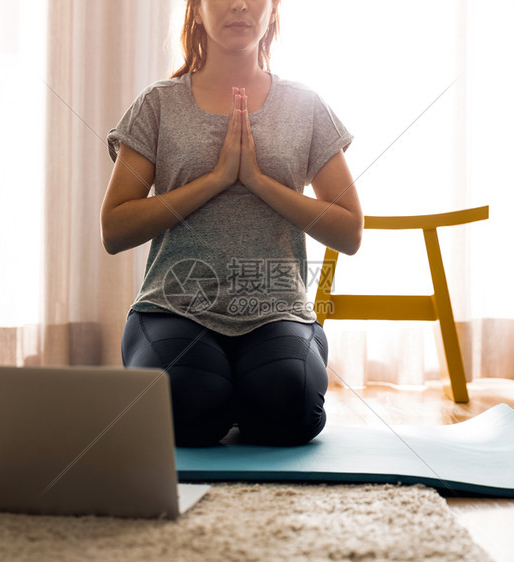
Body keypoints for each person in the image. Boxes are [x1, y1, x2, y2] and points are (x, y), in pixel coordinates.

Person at [101, 0, 362, 447]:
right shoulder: (158, 104)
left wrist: (258, 181)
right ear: (196, 11)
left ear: (273, 10)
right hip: (173, 307)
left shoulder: (306, 105)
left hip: (277, 310)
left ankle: (244, 393)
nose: (239, 4)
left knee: (290, 408)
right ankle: (228, 394)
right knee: (186, 409)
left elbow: (349, 231)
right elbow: (115, 228)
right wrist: (217, 179)